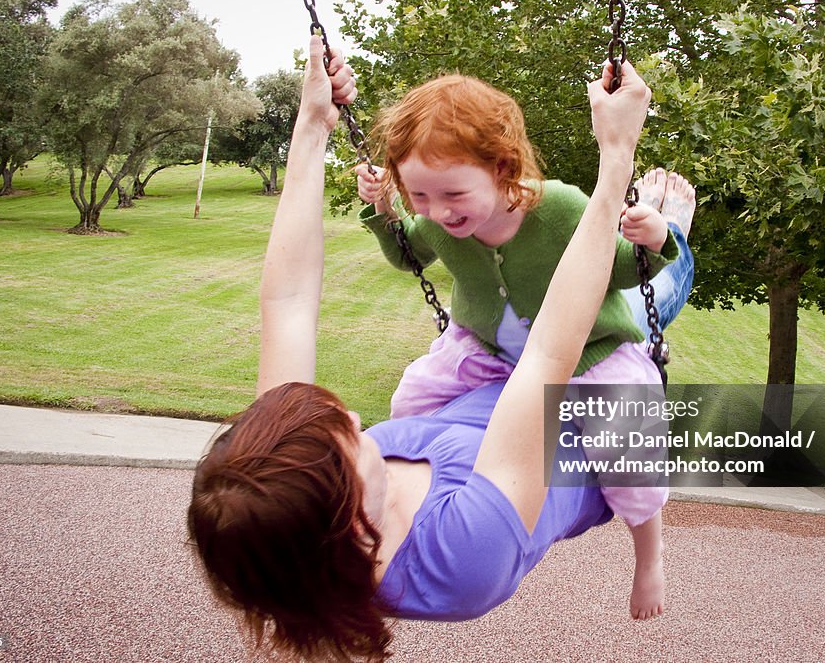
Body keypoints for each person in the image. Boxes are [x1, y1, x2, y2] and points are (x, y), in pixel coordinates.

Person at [188, 34, 673, 662]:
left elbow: (285, 305)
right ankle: (673, 233)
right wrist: (616, 161)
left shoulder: (275, 482)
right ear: (353, 523)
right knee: (643, 337)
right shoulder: (461, 557)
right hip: (561, 408)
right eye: (349, 438)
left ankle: (665, 232)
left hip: (499, 369)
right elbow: (551, 351)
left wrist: (311, 126)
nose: (356, 419)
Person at [354, 73, 696, 617]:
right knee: (410, 401)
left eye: (452, 194)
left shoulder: (559, 208)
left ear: (503, 169)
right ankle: (435, 500)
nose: (437, 211)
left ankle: (649, 557)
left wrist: (654, 241)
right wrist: (385, 213)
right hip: (485, 346)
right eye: (417, 194)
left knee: (630, 450)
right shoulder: (437, 219)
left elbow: (627, 272)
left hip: (591, 349)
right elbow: (407, 256)